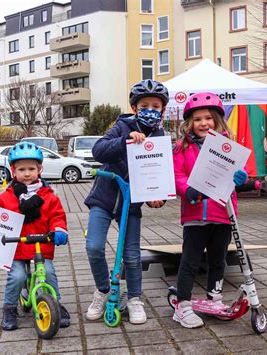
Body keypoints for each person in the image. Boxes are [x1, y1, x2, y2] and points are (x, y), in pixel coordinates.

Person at [84, 79, 169, 324]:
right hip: (104, 198)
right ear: (135, 108)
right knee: (94, 247)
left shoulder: (161, 136)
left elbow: (160, 174)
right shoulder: (122, 126)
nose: (150, 109)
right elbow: (99, 150)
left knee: (132, 256)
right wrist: (125, 141)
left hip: (131, 205)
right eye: (145, 105)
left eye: (156, 105)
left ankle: (134, 298)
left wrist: (158, 198)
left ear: (162, 109)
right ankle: (103, 290)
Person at [172, 92, 248, 328]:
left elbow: (236, 178)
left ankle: (215, 298)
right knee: (190, 261)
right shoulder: (182, 148)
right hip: (195, 215)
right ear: (190, 123)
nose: (203, 123)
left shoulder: (229, 147)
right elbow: (177, 175)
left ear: (216, 119)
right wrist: (188, 190)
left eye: (208, 118)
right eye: (197, 119)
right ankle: (182, 306)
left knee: (218, 260)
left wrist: (241, 178)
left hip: (222, 214)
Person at [0, 142, 71, 330]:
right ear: (13, 171)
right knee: (18, 276)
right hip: (17, 247)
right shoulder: (6, 197)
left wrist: (59, 230)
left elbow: (57, 217)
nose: (27, 174)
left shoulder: (49, 196)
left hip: (40, 246)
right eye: (21, 169)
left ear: (40, 169)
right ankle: (10, 307)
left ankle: (56, 303)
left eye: (31, 169)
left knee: (49, 273)